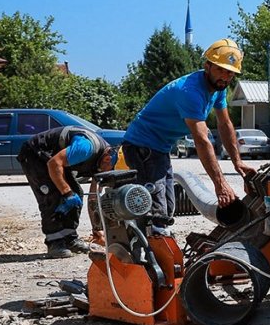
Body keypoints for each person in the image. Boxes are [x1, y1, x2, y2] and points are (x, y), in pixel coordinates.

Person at [121, 38, 253, 236]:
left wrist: (238, 162)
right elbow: (201, 140)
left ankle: (152, 243)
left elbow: (225, 124)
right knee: (155, 212)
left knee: (167, 208)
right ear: (207, 66)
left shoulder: (218, 88)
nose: (225, 77)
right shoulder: (190, 91)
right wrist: (221, 185)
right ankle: (143, 255)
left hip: (160, 148)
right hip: (142, 146)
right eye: (220, 70)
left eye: (230, 73)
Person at [16, 125, 120, 259]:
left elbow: (94, 198)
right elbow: (54, 164)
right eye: (112, 169)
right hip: (35, 154)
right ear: (107, 159)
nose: (109, 173)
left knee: (77, 193)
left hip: (54, 158)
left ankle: (70, 238)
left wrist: (97, 229)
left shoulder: (103, 162)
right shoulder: (86, 148)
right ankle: (55, 242)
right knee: (52, 195)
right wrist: (66, 193)